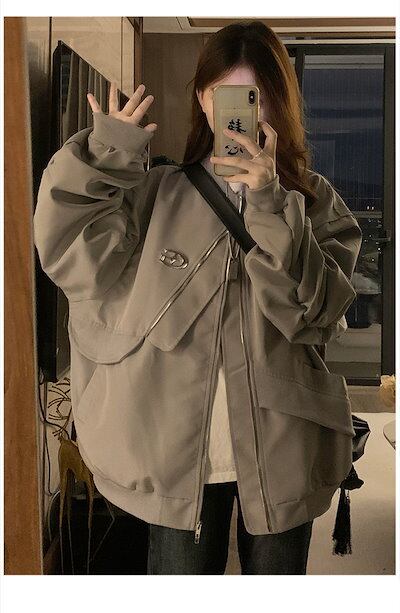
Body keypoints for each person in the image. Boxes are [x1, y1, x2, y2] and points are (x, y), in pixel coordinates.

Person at [33, 20, 362, 575]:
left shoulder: (311, 200)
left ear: (276, 103)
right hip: (176, 451)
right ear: (204, 100)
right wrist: (106, 155)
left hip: (284, 444)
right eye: (224, 94)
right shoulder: (154, 192)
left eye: (254, 96)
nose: (239, 112)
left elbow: (317, 312)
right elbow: (72, 255)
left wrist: (269, 202)